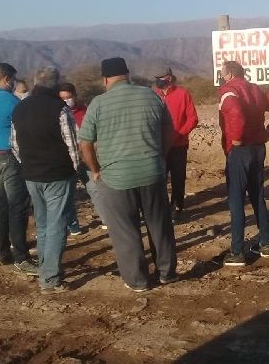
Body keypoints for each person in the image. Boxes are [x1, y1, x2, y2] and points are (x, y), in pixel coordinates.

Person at [78, 57, 178, 292]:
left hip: (116, 178)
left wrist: (95, 171)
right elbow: (168, 129)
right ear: (127, 74)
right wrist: (160, 157)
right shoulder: (151, 96)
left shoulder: (98, 104)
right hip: (152, 172)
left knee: (126, 231)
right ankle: (167, 273)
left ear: (105, 79)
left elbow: (85, 144)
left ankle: (138, 280)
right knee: (159, 225)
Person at [11, 65, 79, 295]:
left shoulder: (19, 108)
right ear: (57, 83)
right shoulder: (60, 108)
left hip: (31, 175)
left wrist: (28, 165)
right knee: (57, 224)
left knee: (42, 224)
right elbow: (72, 145)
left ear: (35, 82)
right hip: (58, 175)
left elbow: (15, 145)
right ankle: (50, 279)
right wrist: (75, 169)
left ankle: (44, 268)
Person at [218, 61, 269, 266]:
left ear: (229, 74)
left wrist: (236, 138)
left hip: (240, 150)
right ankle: (265, 243)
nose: (221, 76)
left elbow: (236, 114)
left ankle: (237, 252)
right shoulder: (256, 89)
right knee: (257, 195)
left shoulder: (229, 91)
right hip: (258, 147)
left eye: (222, 72)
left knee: (236, 200)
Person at [0, 63, 38, 276]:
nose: (14, 84)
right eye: (13, 80)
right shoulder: (9, 100)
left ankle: (2, 251)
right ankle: (22, 257)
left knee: (2, 203)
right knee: (17, 206)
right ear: (7, 79)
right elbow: (27, 121)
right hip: (10, 156)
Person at [152, 67, 199, 222]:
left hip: (179, 145)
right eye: (156, 77)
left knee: (178, 178)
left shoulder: (183, 94)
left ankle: (177, 207)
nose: (158, 80)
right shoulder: (153, 95)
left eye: (161, 77)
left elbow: (193, 118)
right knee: (159, 178)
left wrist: (179, 134)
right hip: (158, 145)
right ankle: (161, 207)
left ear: (170, 78)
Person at [58, 82, 88, 235]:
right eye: (63, 98)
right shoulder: (58, 113)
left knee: (94, 189)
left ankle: (106, 218)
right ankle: (72, 224)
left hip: (85, 156)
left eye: (68, 97)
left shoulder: (84, 111)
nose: (66, 101)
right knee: (67, 194)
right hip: (66, 158)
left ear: (75, 96)